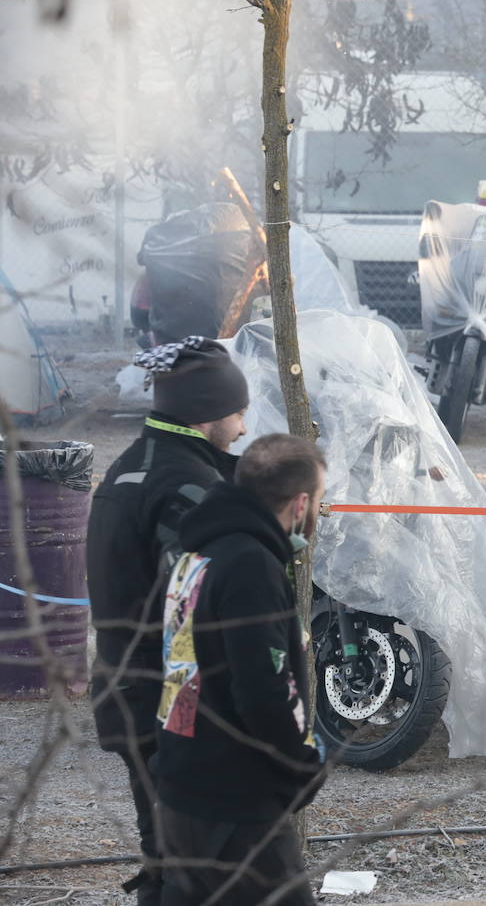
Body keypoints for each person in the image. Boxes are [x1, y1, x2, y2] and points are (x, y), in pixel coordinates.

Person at [85, 336, 249, 905]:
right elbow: (197, 610)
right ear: (208, 415)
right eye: (238, 411)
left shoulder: (132, 467)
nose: (245, 426)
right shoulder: (187, 487)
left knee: (168, 852)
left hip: (126, 684)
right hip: (171, 701)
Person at [155, 433, 327, 906]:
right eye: (318, 502)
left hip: (182, 785)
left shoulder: (195, 552)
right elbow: (263, 689)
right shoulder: (251, 566)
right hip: (235, 802)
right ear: (300, 503)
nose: (315, 517)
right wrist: (302, 766)